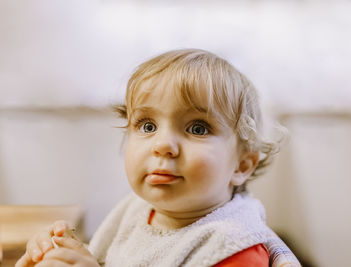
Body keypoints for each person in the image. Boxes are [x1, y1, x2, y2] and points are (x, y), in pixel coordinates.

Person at [16, 49, 300, 267]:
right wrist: (66, 253)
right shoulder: (137, 210)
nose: (163, 145)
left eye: (197, 128)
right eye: (148, 126)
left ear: (241, 166)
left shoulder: (233, 249)